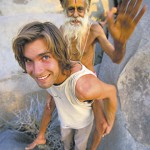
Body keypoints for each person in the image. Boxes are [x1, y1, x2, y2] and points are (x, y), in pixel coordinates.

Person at [24, 0, 147, 149]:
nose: (75, 14)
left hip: (87, 80)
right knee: (49, 107)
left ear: (87, 9)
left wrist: (120, 43)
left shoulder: (94, 30)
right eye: (71, 9)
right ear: (64, 9)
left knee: (101, 125)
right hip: (65, 79)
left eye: (80, 9)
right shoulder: (61, 31)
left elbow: (115, 57)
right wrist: (52, 86)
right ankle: (41, 137)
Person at [12, 21, 117, 150]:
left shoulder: (83, 87)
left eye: (45, 57)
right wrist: (41, 135)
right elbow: (49, 108)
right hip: (65, 122)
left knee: (80, 146)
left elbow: (111, 91)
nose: (37, 71)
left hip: (83, 124)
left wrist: (110, 121)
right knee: (66, 145)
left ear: (60, 54)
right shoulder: (50, 77)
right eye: (28, 60)